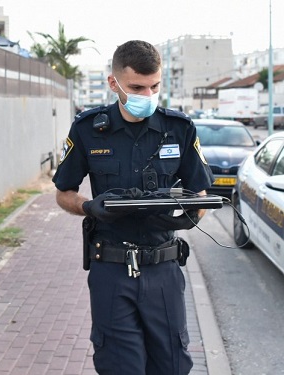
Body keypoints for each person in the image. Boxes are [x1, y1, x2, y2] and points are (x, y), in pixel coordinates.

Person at [52, 40, 214, 375]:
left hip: (164, 269)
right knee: (119, 367)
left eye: (155, 86)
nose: (148, 95)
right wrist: (90, 207)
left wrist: (189, 216)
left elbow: (200, 192)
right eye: (137, 87)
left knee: (172, 364)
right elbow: (63, 193)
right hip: (111, 268)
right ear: (114, 83)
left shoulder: (179, 128)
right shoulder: (89, 129)